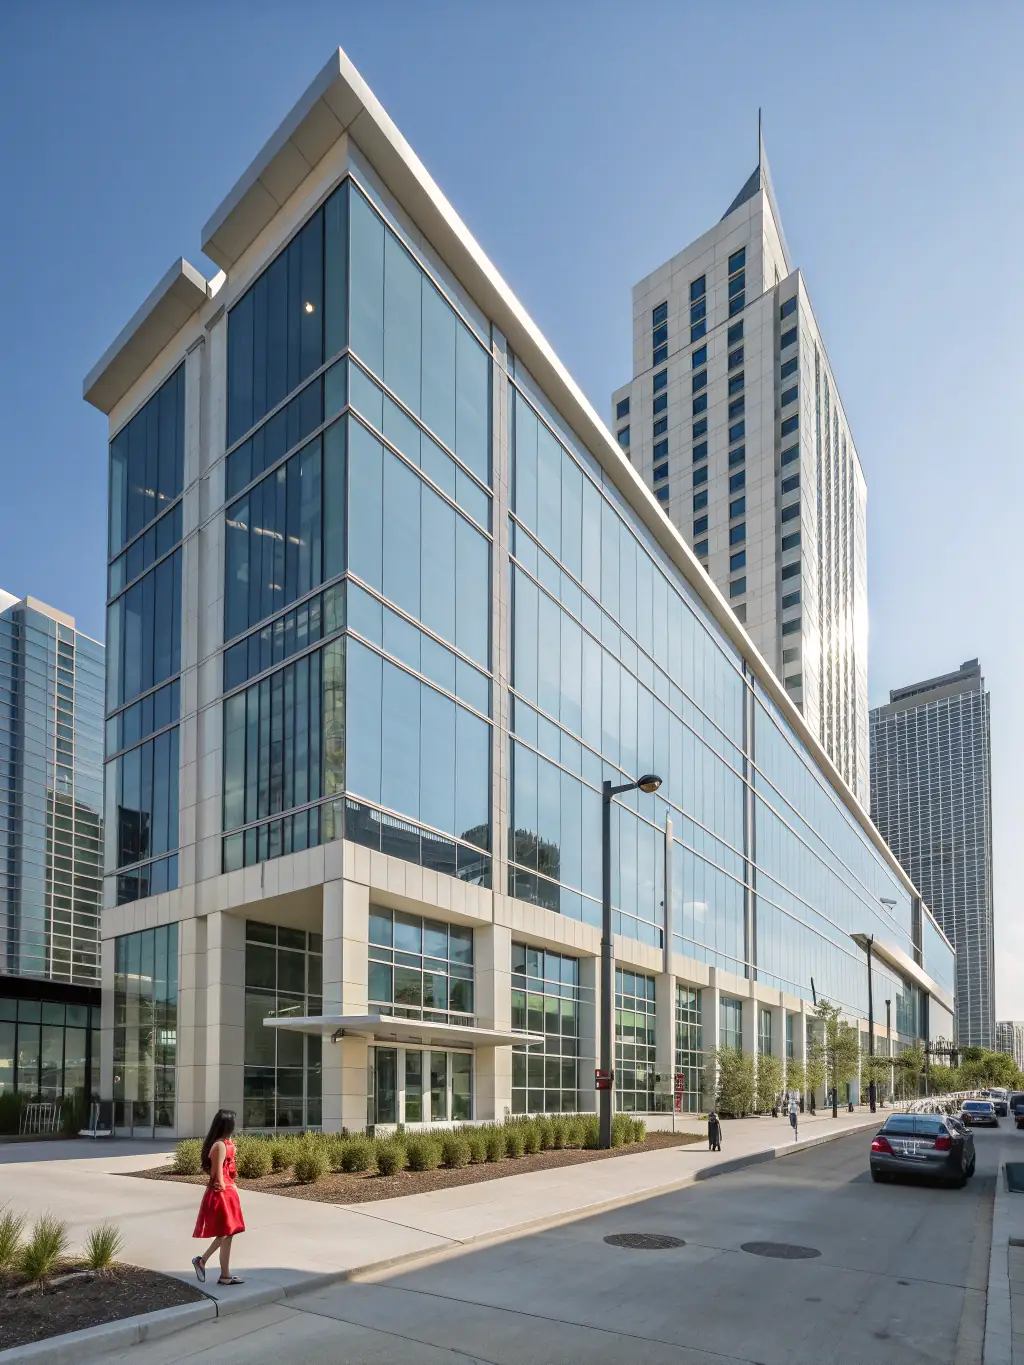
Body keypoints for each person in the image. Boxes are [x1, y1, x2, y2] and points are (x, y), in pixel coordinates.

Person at [192, 1109, 245, 1286]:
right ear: (228, 1125)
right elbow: (218, 1174)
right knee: (226, 1232)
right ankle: (202, 1260)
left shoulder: (225, 1143)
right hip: (222, 1193)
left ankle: (225, 1275)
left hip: (228, 1191)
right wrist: (225, 1189)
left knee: (230, 1234)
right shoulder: (220, 1146)